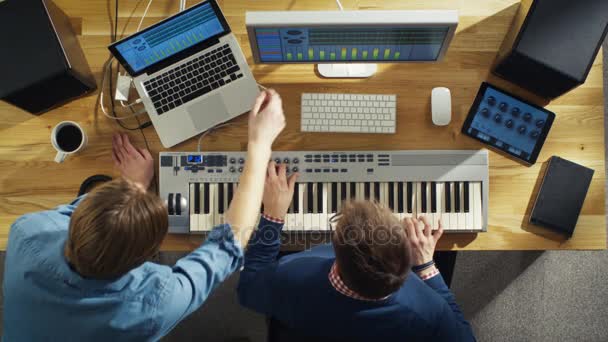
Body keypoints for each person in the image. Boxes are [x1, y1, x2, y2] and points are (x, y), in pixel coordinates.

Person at [3, 89, 286, 341]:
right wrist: (260, 144)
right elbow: (232, 241)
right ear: (146, 258)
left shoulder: (27, 231)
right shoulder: (154, 303)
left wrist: (134, 186)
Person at [237, 165, 476, 341]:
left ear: (336, 258)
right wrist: (426, 267)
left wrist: (273, 216)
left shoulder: (291, 276)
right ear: (405, 261)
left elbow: (248, 290)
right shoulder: (427, 308)